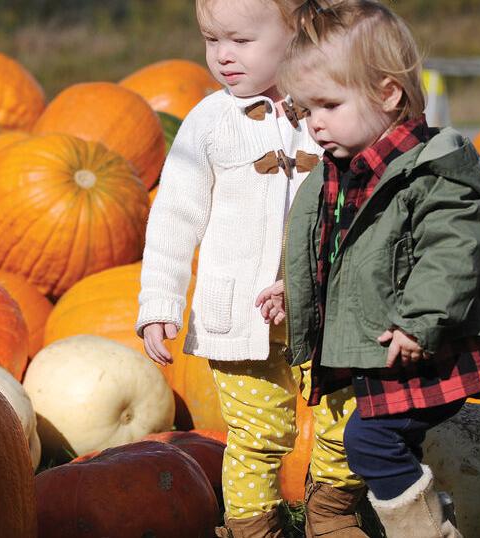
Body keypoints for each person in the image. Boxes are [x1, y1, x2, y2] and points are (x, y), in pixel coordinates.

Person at [256, 1, 480, 536]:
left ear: (388, 94)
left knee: (369, 440)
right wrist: (293, 290)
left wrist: (421, 320)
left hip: (424, 344)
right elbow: (337, 253)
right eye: (305, 109)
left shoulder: (431, 171)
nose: (315, 123)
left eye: (329, 104)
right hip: (392, 345)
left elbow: (453, 251)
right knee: (386, 442)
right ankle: (431, 516)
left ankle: (423, 530)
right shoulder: (344, 171)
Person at [136, 1, 373, 536]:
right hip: (241, 316)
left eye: (241, 41)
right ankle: (253, 527)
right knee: (257, 433)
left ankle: (332, 513)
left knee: (346, 416)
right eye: (212, 40)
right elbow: (173, 217)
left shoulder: (326, 110)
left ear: (295, 34)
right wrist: (159, 303)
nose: (223, 55)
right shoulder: (209, 122)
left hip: (326, 308)